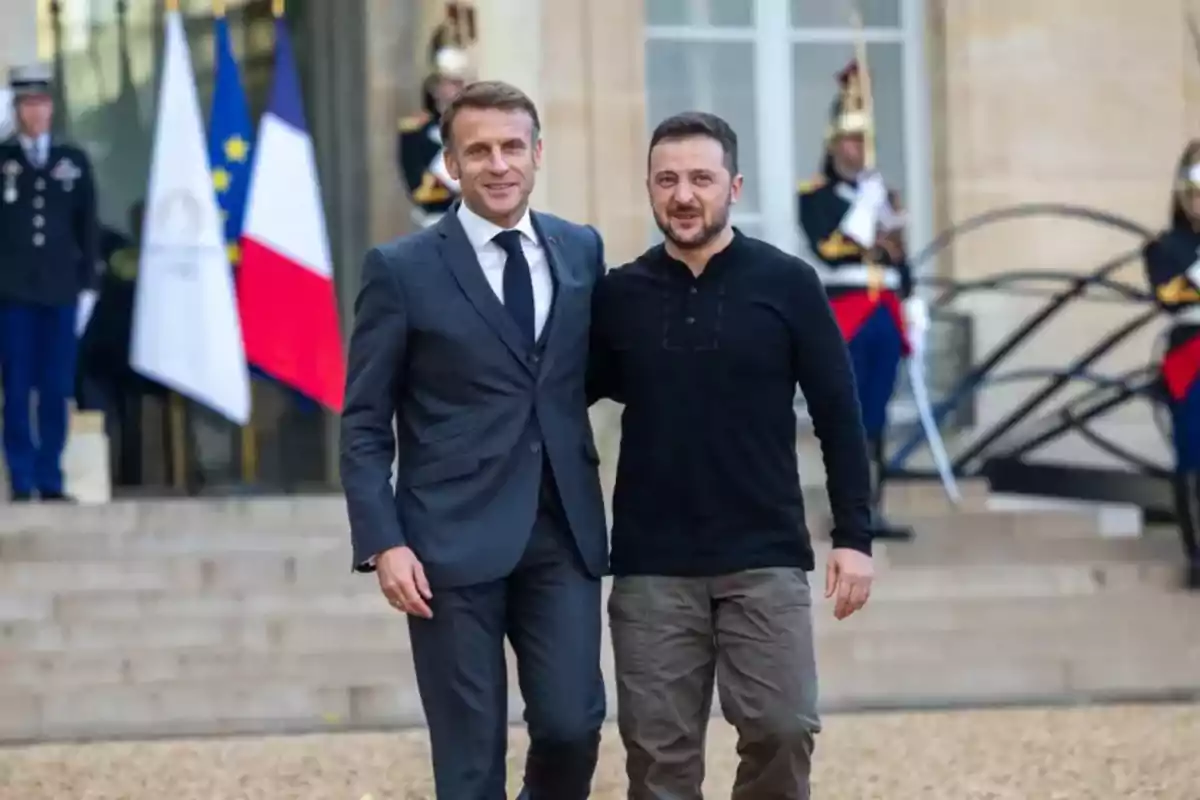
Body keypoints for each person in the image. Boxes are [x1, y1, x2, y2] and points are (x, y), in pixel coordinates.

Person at [589, 110, 876, 800]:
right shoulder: (619, 295)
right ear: (651, 189)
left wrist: (854, 536)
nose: (683, 195)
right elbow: (558, 401)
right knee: (659, 760)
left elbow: (839, 414)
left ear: (733, 186)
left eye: (700, 178)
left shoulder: (788, 284)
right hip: (651, 564)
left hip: (764, 555)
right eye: (667, 179)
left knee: (783, 726)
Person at [341, 80, 608, 799]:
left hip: (563, 529)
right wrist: (382, 540)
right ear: (451, 165)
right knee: (468, 761)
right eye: (478, 150)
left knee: (573, 724)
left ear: (537, 154)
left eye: (512, 147)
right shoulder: (399, 271)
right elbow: (364, 420)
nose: (498, 164)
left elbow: (602, 368)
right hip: (446, 544)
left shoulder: (581, 251)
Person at [797, 60, 929, 540]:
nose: (858, 149)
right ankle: (846, 512)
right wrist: (865, 211)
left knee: (878, 413)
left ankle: (873, 508)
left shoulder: (882, 195)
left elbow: (898, 257)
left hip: (884, 312)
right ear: (834, 145)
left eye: (863, 140)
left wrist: (912, 305)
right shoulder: (815, 195)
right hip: (845, 311)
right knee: (847, 414)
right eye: (850, 141)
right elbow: (828, 247)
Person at [0, 63, 98, 502]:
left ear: (52, 107)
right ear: (16, 109)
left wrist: (89, 284)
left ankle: (50, 476)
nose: (35, 112)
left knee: (57, 388)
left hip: (61, 292)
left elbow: (88, 226)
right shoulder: (4, 161)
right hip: (13, 293)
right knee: (18, 387)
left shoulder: (71, 162)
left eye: (41, 103)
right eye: (27, 104)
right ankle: (21, 478)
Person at [1142, 138, 1200, 591]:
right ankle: (1197, 552)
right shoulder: (1165, 246)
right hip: (1191, 356)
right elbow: (1169, 295)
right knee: (1192, 450)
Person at [396, 13, 473, 229]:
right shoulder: (414, 131)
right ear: (435, 87)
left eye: (459, 83)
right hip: (436, 225)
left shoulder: (480, 129)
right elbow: (420, 190)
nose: (455, 91)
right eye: (449, 83)